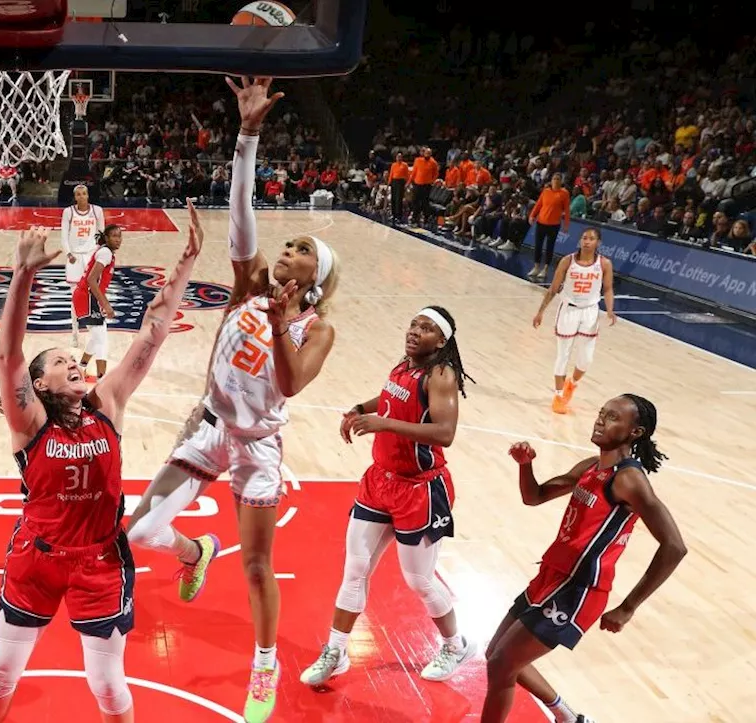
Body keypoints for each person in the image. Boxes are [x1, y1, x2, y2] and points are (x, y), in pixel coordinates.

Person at [124, 77, 340, 723]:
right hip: (211, 426)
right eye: (291, 242)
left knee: (256, 566)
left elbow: (293, 381)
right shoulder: (249, 282)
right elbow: (240, 210)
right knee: (138, 530)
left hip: (258, 447)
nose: (289, 247)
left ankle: (265, 663)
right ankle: (195, 552)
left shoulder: (315, 326)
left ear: (315, 276)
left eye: (302, 248)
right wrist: (246, 135)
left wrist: (277, 322)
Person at [0, 203, 203, 723]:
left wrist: (186, 263)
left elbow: (152, 333)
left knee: (106, 684)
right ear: (39, 385)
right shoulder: (28, 423)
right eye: (60, 362)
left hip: (100, 560)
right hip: (36, 558)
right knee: (0, 673)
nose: (74, 362)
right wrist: (23, 276)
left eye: (74, 359)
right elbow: (8, 355)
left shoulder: (108, 403)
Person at [300, 306, 477, 689]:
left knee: (419, 580)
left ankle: (454, 644)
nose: (415, 331)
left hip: (420, 490)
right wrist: (361, 409)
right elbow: (391, 399)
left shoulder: (440, 374)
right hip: (380, 482)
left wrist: (381, 423)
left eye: (426, 328)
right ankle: (336, 650)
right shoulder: (404, 365)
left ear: (441, 341)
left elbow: (444, 432)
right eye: (414, 323)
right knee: (355, 569)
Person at [481, 395, 687, 723]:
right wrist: (525, 465)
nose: (601, 420)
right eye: (602, 413)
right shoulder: (590, 466)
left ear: (636, 432)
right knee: (495, 655)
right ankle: (567, 716)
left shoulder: (628, 479)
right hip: (551, 576)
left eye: (614, 417)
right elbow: (533, 497)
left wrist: (628, 607)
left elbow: (674, 546)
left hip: (579, 589)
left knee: (501, 665)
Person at [532, 228, 616, 415]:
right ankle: (558, 395)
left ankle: (572, 384)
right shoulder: (567, 261)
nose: (586, 241)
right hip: (568, 309)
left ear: (598, 243)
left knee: (586, 359)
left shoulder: (604, 263)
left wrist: (610, 310)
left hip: (590, 311)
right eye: (584, 237)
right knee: (563, 355)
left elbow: (608, 289)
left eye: (591, 238)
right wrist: (540, 312)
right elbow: (553, 289)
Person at [71, 224, 123, 383]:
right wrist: (106, 304)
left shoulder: (106, 252)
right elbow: (91, 280)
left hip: (88, 296)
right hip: (86, 296)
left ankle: (80, 369)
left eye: (120, 236)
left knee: (97, 337)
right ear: (106, 238)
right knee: (101, 339)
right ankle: (102, 381)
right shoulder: (105, 252)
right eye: (114, 236)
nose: (118, 239)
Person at [61, 185, 106, 346]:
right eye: (78, 194)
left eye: (84, 193)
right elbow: (64, 235)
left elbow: (102, 236)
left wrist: (100, 255)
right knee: (75, 298)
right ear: (75, 197)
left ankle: (94, 332)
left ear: (88, 195)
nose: (82, 196)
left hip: (91, 257)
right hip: (74, 258)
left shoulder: (97, 211)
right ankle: (75, 332)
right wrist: (68, 253)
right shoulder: (68, 212)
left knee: (93, 297)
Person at [527, 173, 571, 281]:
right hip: (541, 222)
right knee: (538, 245)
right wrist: (532, 215)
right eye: (554, 179)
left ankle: (545, 269)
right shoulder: (546, 191)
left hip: (554, 224)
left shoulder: (564, 193)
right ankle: (536, 267)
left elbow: (567, 210)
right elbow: (538, 204)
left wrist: (566, 224)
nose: (556, 181)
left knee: (549, 247)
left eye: (558, 179)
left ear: (561, 181)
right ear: (551, 181)